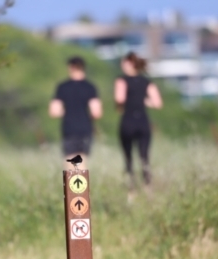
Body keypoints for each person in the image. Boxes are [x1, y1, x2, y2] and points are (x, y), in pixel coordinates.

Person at [114, 52, 163, 191]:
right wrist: (143, 101)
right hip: (143, 121)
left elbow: (120, 99)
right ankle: (148, 187)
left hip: (128, 120)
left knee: (128, 157)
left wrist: (121, 105)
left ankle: (131, 189)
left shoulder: (121, 80)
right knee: (144, 156)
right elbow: (158, 103)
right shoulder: (146, 82)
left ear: (130, 64)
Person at [49, 56, 102, 169]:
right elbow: (96, 112)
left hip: (69, 128)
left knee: (70, 161)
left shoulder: (63, 87)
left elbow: (54, 111)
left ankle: (70, 186)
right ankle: (83, 186)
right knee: (82, 161)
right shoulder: (90, 87)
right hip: (85, 128)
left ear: (71, 67)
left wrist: (65, 112)